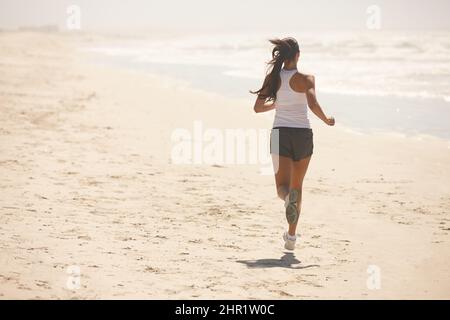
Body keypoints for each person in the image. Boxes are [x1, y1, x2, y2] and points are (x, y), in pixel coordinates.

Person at [251, 37, 335, 250]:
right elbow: (312, 103)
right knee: (298, 187)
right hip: (303, 135)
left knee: (283, 188)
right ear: (298, 55)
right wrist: (326, 120)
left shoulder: (273, 78)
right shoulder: (307, 79)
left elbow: (258, 108)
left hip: (281, 133)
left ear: (283, 56)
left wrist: (276, 105)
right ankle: (291, 236)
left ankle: (287, 198)